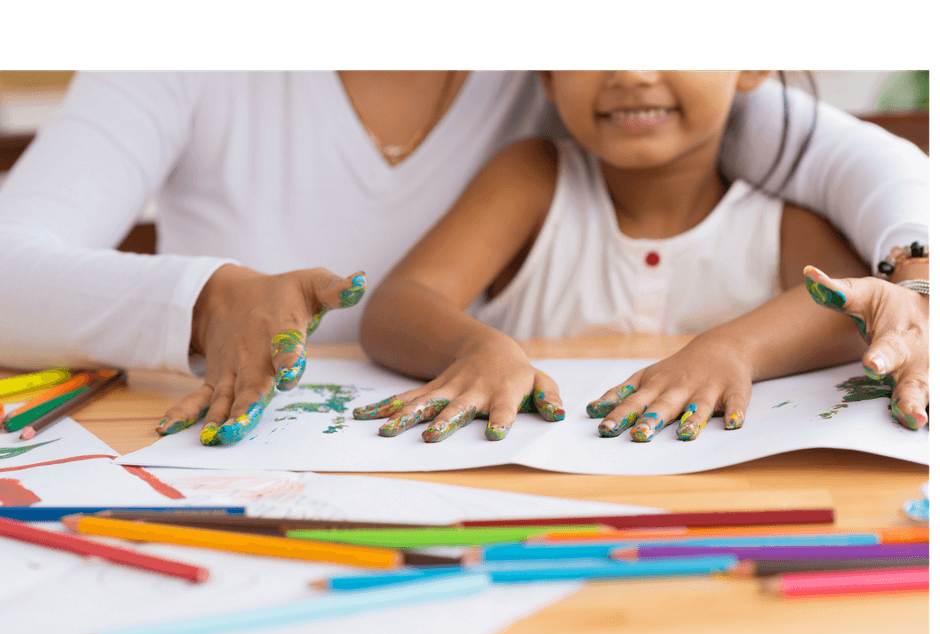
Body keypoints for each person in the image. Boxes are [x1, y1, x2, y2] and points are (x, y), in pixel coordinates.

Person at [0, 71, 928, 445]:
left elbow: (866, 176)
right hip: (249, 464)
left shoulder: (593, 98)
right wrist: (207, 296)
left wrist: (917, 276)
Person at [355, 71, 929, 442]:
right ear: (546, 80)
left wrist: (734, 349)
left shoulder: (784, 219)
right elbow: (396, 306)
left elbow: (847, 310)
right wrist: (475, 347)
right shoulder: (530, 179)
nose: (631, 75)